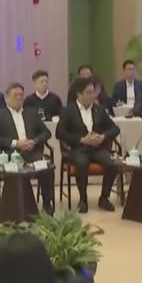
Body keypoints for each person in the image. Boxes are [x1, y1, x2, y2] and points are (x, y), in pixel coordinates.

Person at [0, 82, 56, 212]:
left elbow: (46, 133)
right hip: (11, 155)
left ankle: (47, 204)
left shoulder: (31, 113)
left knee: (47, 169)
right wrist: (16, 143)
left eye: (21, 95)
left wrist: (34, 141)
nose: (19, 98)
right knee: (15, 171)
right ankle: (13, 207)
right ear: (6, 98)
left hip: (32, 153)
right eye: (15, 95)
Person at [57, 77, 121, 212]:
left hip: (97, 148)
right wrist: (81, 140)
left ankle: (104, 197)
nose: (92, 95)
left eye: (93, 92)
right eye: (88, 92)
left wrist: (102, 137)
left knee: (112, 163)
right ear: (79, 94)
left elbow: (115, 129)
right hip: (78, 149)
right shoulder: (68, 111)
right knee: (82, 163)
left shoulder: (98, 109)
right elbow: (60, 133)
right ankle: (83, 199)